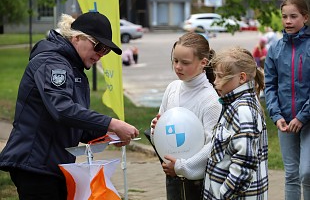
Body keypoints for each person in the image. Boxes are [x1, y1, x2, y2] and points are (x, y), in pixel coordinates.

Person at [0, 12, 139, 200]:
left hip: (52, 166)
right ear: (77, 38)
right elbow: (63, 110)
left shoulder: (74, 68)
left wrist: (109, 135)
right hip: (36, 166)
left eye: (105, 50)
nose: (100, 54)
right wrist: (111, 123)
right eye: (98, 46)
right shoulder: (52, 62)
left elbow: (75, 124)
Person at [149, 32, 222, 199]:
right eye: (175, 61)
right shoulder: (172, 89)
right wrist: (156, 128)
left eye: (185, 62)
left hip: (199, 184)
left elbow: (213, 146)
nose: (178, 67)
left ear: (203, 63)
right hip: (173, 178)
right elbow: (161, 135)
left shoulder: (211, 100)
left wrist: (182, 166)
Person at [204, 47, 268, 199]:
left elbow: (245, 164)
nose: (215, 81)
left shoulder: (242, 110)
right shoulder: (234, 104)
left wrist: (224, 194)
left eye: (220, 77)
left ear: (241, 78)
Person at [264, 0, 310, 200]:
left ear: (305, 18)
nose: (288, 21)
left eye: (293, 16)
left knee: (307, 172)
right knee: (291, 174)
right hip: (285, 122)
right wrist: (276, 116)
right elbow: (270, 86)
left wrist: (302, 117)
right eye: (284, 17)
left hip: (307, 120)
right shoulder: (274, 49)